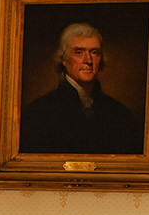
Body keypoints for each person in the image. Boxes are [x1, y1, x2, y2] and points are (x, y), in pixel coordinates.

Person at [18, 21, 142, 155]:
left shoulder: (121, 115)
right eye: (79, 52)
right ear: (64, 59)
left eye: (94, 52)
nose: (88, 60)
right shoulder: (37, 113)